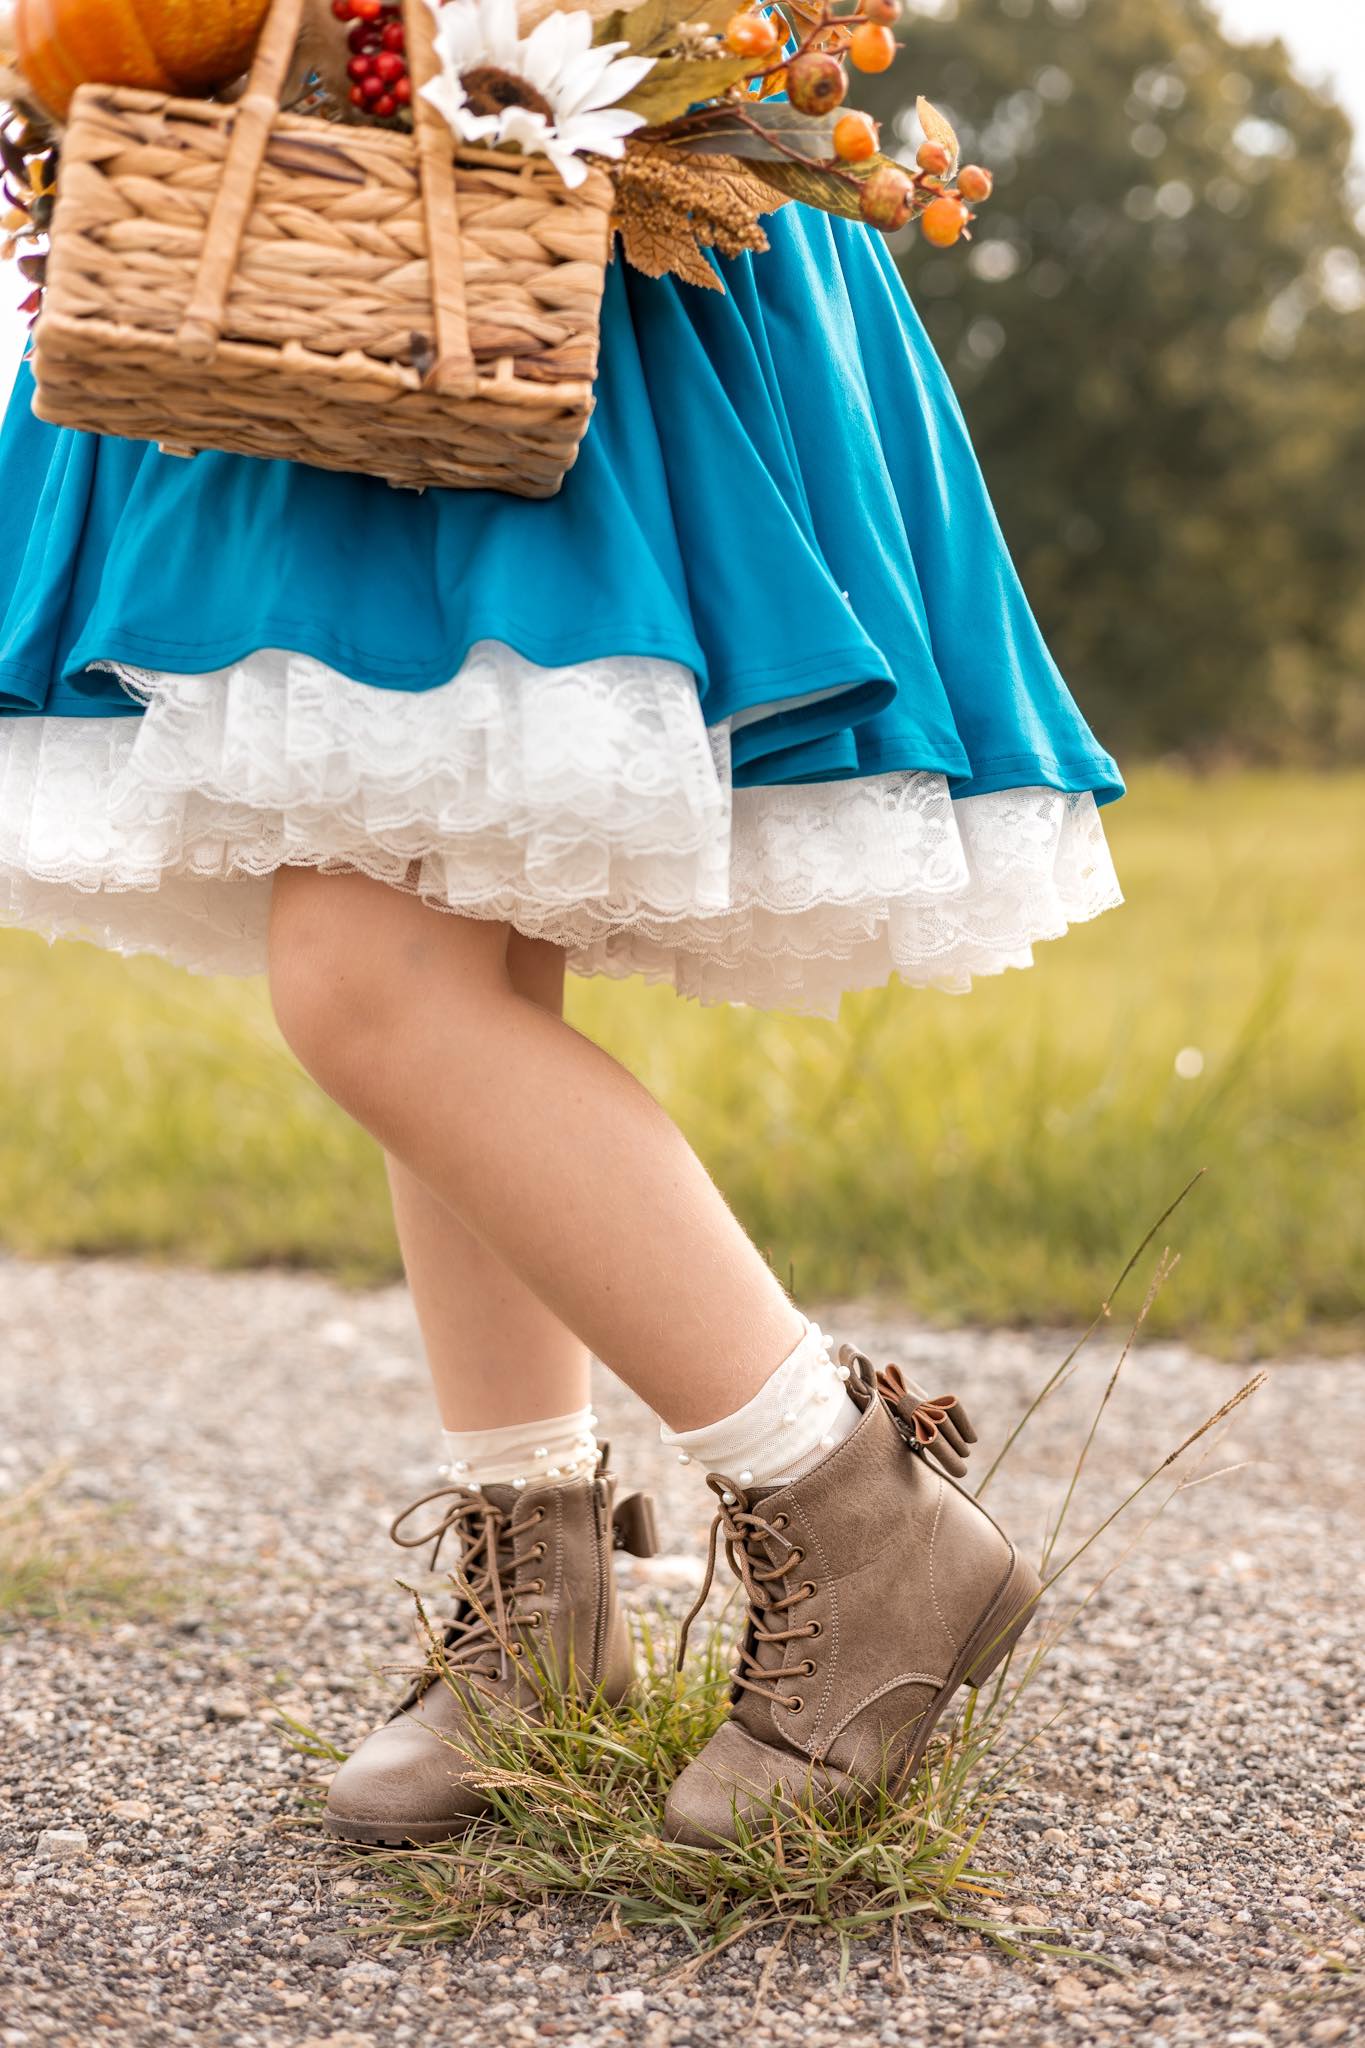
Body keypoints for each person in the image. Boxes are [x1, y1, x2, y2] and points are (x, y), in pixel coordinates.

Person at [0, 6, 1122, 1848]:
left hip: (533, 199)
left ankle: (862, 1519)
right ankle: (543, 1597)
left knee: (369, 990)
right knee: (443, 932)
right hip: (333, 218)